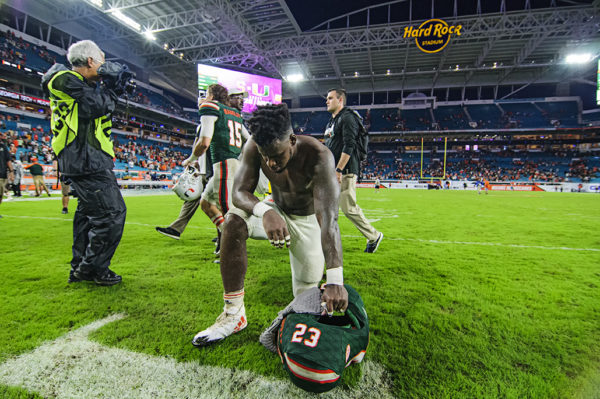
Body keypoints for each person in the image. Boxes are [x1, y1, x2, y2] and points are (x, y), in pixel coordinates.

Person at [192, 104, 348, 347]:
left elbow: (328, 220)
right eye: (266, 157)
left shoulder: (319, 156)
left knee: (306, 299)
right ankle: (234, 314)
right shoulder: (255, 145)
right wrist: (264, 211)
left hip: (307, 222)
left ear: (293, 140)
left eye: (277, 156)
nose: (271, 163)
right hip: (274, 207)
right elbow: (239, 193)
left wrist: (336, 279)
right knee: (233, 222)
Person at [42, 39, 129, 286]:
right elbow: (94, 106)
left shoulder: (77, 83)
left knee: (87, 217)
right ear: (90, 61)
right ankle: (92, 269)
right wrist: (112, 89)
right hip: (85, 158)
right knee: (112, 214)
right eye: (101, 60)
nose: (104, 67)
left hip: (86, 156)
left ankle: (80, 267)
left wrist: (110, 89)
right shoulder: (64, 79)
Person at [181, 84, 249, 248]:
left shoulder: (211, 107)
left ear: (211, 95)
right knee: (205, 203)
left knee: (227, 209)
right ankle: (228, 238)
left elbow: (204, 142)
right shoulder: (234, 114)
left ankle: (235, 247)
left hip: (224, 163)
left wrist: (191, 159)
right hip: (232, 163)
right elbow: (249, 139)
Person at [324, 88, 383, 253]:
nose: (327, 101)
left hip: (345, 170)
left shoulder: (348, 117)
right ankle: (321, 239)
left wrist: (339, 169)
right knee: (322, 205)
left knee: (348, 208)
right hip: (331, 171)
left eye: (330, 98)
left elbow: (349, 145)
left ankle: (373, 235)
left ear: (340, 100)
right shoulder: (332, 121)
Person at [0, 133, 14, 217]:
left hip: (2, 174)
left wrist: (11, 172)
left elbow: (8, 160)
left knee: (0, 195)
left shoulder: (3, 147)